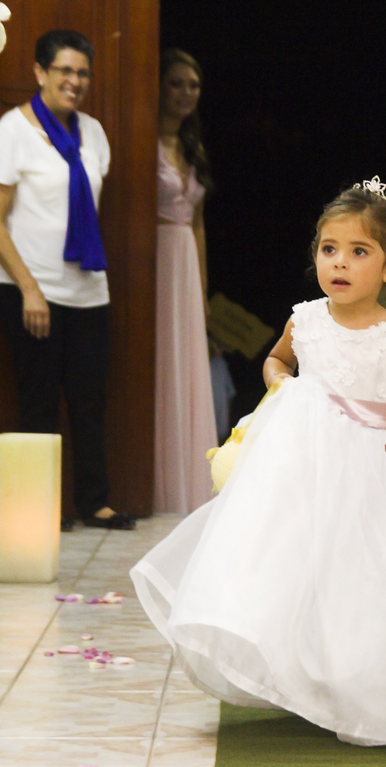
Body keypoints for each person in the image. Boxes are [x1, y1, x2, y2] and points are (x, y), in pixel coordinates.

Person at [130, 180, 386, 746]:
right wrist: (283, 386)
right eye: (328, 249)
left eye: (359, 252)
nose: (339, 262)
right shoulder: (305, 320)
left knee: (371, 571)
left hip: (377, 466)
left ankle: (379, 684)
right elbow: (276, 361)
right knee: (297, 561)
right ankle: (310, 674)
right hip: (307, 460)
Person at [0, 29, 133, 531]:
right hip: (25, 286)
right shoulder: (11, 132)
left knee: (89, 400)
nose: (75, 81)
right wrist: (29, 289)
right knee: (38, 398)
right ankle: (39, 508)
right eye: (64, 70)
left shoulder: (93, 133)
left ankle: (94, 503)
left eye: (83, 72)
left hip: (86, 287)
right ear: (40, 72)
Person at [154, 48, 218, 513]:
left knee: (188, 361)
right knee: (159, 362)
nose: (185, 93)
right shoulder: (145, 141)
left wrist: (203, 288)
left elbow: (197, 224)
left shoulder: (192, 148)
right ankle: (157, 478)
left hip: (186, 266)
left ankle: (189, 481)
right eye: (176, 83)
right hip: (154, 257)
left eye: (193, 85)